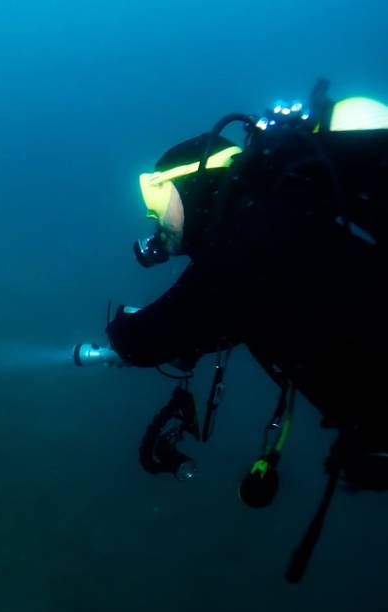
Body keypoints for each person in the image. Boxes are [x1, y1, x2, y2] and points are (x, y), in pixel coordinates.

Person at [101, 80, 387, 581]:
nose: (155, 220)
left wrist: (120, 330)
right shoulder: (276, 228)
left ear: (195, 184)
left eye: (159, 197)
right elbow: (235, 310)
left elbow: (153, 335)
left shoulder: (260, 225)